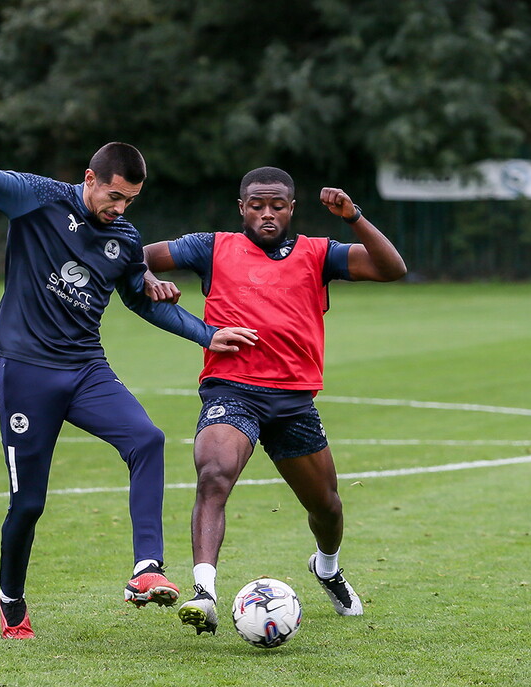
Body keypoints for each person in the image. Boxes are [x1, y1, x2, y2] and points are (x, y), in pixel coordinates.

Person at [0, 100, 256, 639]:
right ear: (89, 179)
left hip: (86, 369)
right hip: (27, 372)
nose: (120, 207)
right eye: (114, 195)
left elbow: (142, 301)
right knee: (29, 503)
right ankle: (11, 598)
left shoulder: (126, 239)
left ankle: (147, 569)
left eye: (131, 200)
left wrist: (206, 332)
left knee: (147, 439)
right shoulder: (36, 198)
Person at [142, 166, 407, 635]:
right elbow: (135, 258)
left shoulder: (318, 253)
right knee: (213, 474)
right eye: (257, 205)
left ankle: (327, 567)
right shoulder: (211, 246)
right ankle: (205, 592)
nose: (267, 214)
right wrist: (146, 278)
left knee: (326, 507)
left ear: (291, 209)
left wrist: (354, 217)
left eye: (277, 206)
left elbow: (392, 268)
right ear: (242, 207)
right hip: (231, 390)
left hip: (293, 402)